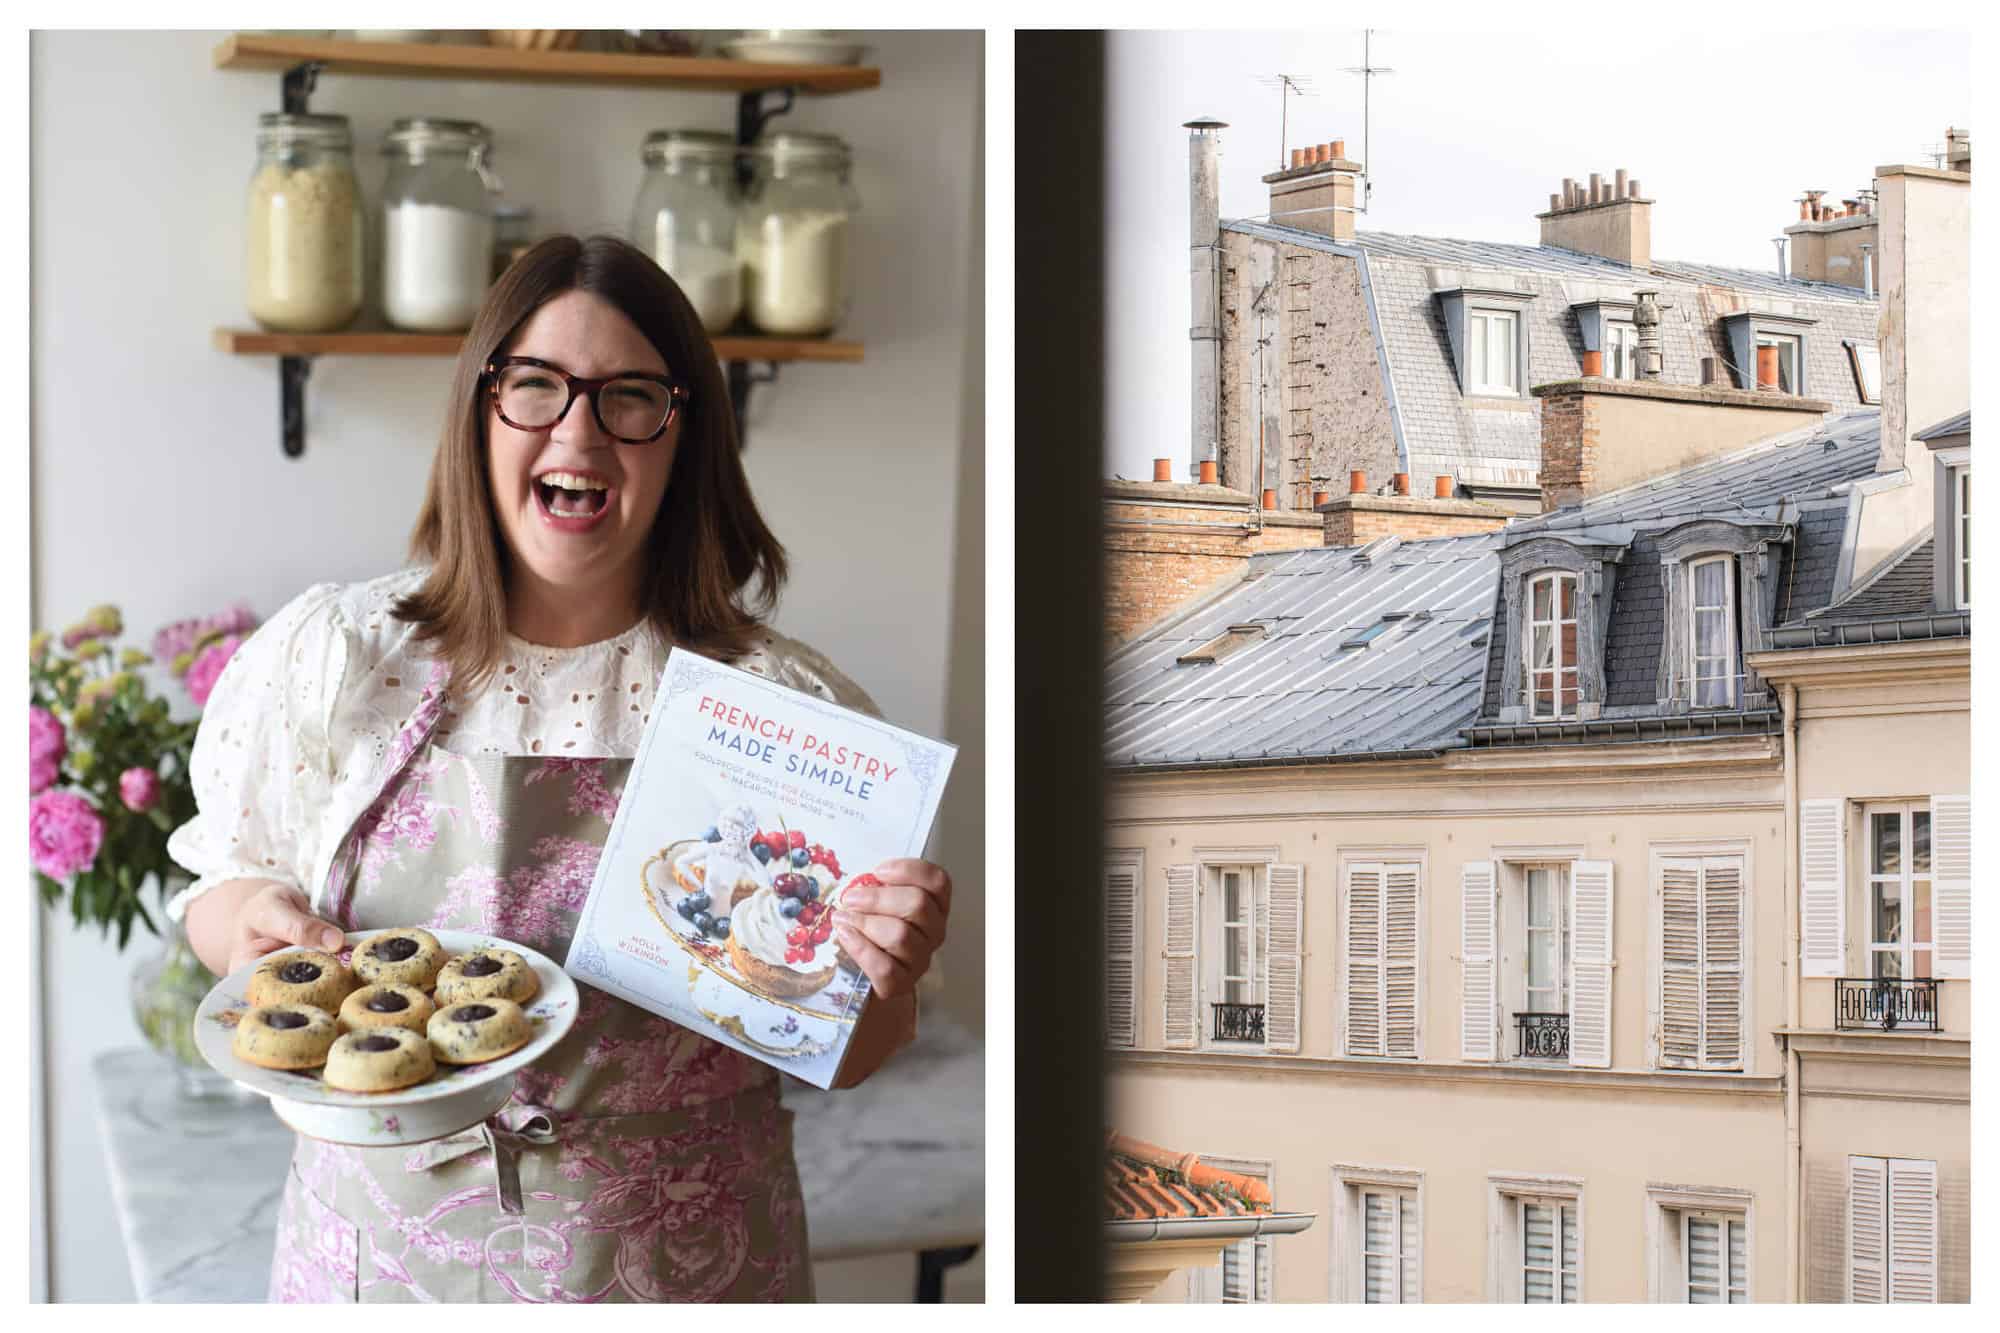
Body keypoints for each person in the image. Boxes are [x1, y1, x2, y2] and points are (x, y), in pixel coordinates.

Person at [168, 234, 954, 1303]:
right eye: (534, 386)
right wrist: (248, 916)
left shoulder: (789, 711)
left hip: (689, 1271)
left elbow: (850, 1049)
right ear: (479, 410)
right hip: (381, 1266)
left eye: (631, 396)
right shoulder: (336, 661)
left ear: (686, 435)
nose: (579, 430)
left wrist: (884, 967)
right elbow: (222, 894)